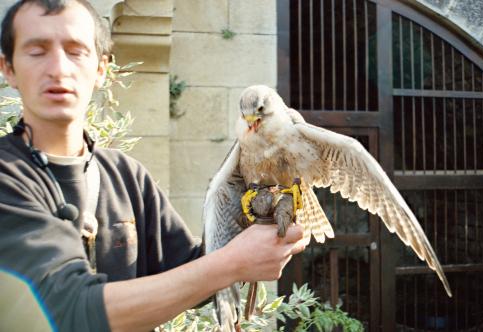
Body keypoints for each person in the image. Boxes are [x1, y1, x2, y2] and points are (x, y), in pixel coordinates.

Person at [0, 0, 305, 331]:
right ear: (8, 69)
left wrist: (261, 220)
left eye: (76, 51)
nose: (58, 68)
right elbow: (68, 308)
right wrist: (233, 263)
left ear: (102, 69)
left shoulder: (124, 175)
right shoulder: (7, 174)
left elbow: (192, 269)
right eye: (37, 51)